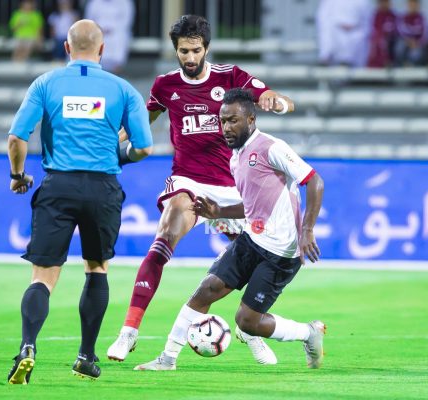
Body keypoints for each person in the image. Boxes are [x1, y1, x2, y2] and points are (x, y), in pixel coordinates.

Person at [107, 15, 295, 368]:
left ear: (205, 49)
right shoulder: (165, 86)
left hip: (234, 190)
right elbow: (140, 124)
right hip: (188, 181)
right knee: (163, 238)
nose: (189, 58)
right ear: (175, 50)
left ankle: (249, 331)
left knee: (254, 266)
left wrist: (276, 102)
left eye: (195, 51)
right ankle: (129, 331)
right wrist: (111, 143)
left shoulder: (229, 77)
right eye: (183, 51)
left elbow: (268, 94)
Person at [135, 88, 326, 371]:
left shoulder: (271, 147)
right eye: (223, 121)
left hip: (281, 252)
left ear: (251, 120)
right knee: (205, 290)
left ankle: (308, 333)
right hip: (252, 239)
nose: (226, 127)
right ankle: (167, 359)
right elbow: (251, 205)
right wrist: (220, 212)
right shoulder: (236, 157)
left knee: (247, 321)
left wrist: (307, 229)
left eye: (233, 121)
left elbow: (314, 181)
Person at [6, 19, 153, 384]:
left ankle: (27, 347)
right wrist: (118, 156)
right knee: (96, 268)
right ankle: (86, 357)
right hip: (103, 188)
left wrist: (18, 175)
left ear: (67, 48)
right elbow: (144, 146)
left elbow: (16, 138)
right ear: (102, 50)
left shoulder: (46, 83)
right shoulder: (122, 89)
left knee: (43, 277)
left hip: (58, 186)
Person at [84, 0, 134, 74]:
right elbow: (88, 20)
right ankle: (95, 66)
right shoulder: (94, 3)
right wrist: (100, 29)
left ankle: (117, 67)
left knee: (121, 36)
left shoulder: (125, 2)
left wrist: (111, 29)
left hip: (117, 30)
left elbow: (127, 21)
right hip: (98, 30)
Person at [316, 0, 372, 67]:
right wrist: (325, 52)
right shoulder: (329, 2)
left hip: (358, 42)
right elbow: (324, 24)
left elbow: (368, 23)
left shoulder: (363, 2)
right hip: (336, 41)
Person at [395, 0, 428, 66]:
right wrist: (408, 41)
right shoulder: (402, 18)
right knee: (399, 45)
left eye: (415, 4)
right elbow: (399, 32)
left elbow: (426, 35)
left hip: (417, 43)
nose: (413, 6)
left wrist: (418, 42)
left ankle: (413, 67)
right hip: (405, 42)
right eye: (411, 4)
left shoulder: (422, 19)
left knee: (416, 52)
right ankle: (401, 65)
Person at [367, 0, 397, 68]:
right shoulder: (375, 16)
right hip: (377, 44)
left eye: (386, 2)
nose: (384, 4)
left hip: (391, 43)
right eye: (382, 2)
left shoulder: (394, 16)